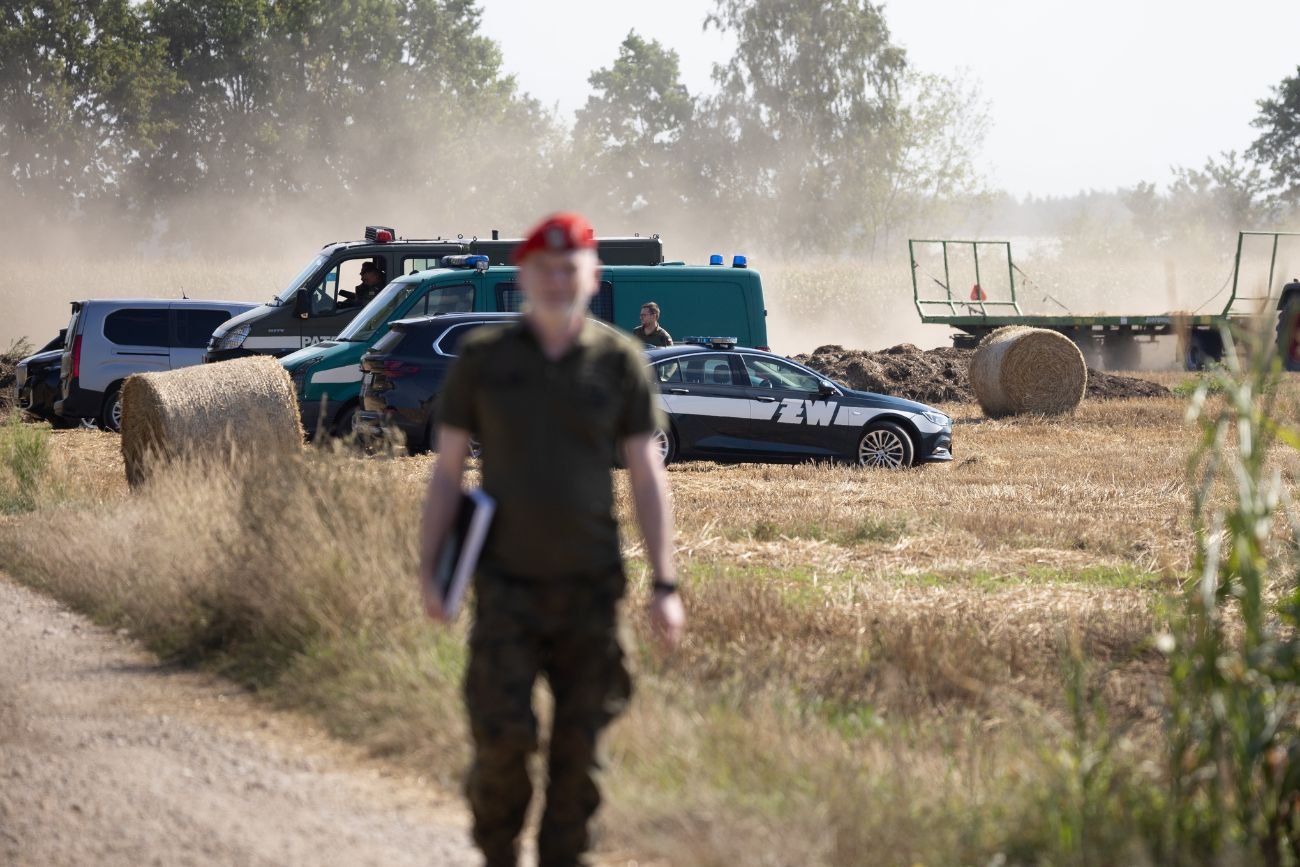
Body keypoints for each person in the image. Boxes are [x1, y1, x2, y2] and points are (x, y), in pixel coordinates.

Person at [416, 212, 685, 867]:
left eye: (571, 269)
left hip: (592, 592)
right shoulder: (484, 359)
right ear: (525, 276)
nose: (559, 280)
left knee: (579, 760)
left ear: (592, 277)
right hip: (504, 589)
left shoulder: (619, 362)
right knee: (501, 742)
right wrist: (432, 573)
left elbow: (647, 475)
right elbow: (446, 474)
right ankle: (498, 851)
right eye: (546, 269)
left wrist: (665, 584)